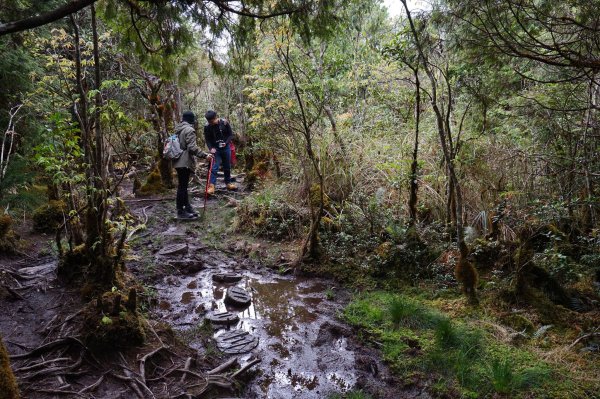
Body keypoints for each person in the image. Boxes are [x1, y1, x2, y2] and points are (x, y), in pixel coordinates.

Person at [173, 111, 213, 219]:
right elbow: (192, 148)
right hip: (184, 161)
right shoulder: (189, 130)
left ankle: (187, 207)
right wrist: (205, 155)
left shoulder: (178, 129)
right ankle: (180, 212)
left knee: (183, 186)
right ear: (191, 120)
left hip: (178, 161)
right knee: (182, 187)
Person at [203, 110, 237, 195]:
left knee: (227, 166)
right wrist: (211, 148)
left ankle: (228, 183)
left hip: (226, 148)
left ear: (216, 118)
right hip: (215, 150)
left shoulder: (224, 123)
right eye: (209, 121)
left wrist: (226, 143)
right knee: (214, 167)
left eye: (212, 121)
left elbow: (230, 134)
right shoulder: (207, 127)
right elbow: (207, 139)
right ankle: (211, 186)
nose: (210, 123)